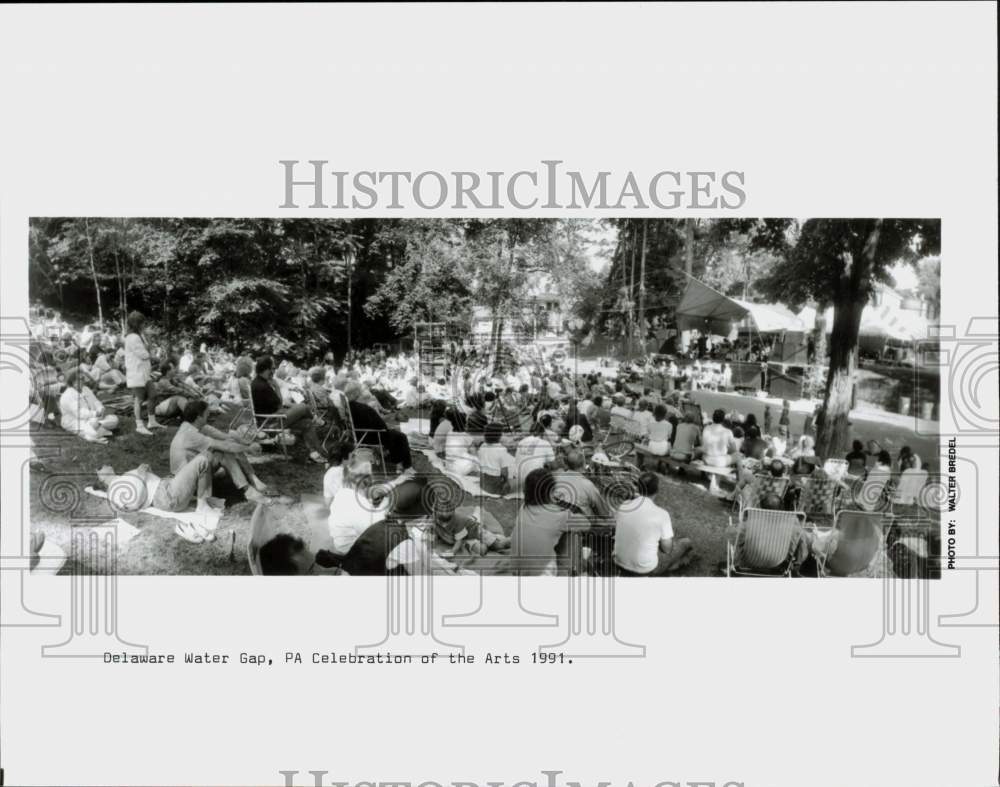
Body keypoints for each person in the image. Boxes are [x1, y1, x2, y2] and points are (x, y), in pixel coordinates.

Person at [169, 400, 268, 504]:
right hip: (185, 481)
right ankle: (247, 489)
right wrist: (248, 449)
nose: (209, 414)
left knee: (228, 444)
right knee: (223, 451)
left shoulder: (196, 426)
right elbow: (224, 446)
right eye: (207, 412)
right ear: (199, 417)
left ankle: (252, 478)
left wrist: (246, 443)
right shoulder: (189, 434)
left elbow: (226, 437)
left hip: (196, 470)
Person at [613, 472, 693, 576]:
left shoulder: (624, 505)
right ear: (657, 490)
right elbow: (667, 549)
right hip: (646, 569)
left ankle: (676, 564)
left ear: (638, 488)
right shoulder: (662, 514)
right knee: (686, 542)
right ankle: (678, 564)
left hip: (618, 562)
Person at [250, 355, 325, 464]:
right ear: (267, 369)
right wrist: (276, 387)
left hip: (272, 419)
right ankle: (317, 420)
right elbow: (279, 403)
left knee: (307, 423)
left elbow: (277, 405)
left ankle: (315, 454)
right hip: (270, 422)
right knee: (304, 407)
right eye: (273, 368)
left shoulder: (258, 382)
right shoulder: (262, 386)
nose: (274, 371)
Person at [509, 468, 579, 576]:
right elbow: (587, 525)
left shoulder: (523, 508)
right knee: (573, 533)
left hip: (516, 571)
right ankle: (575, 572)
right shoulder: (561, 515)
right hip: (542, 574)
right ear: (551, 492)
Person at [344, 381, 414, 472]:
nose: (361, 392)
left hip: (359, 435)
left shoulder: (349, 406)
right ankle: (405, 465)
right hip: (373, 436)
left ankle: (393, 458)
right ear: (355, 393)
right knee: (401, 436)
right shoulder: (363, 408)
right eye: (359, 391)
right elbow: (379, 425)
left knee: (394, 433)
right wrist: (386, 429)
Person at [124, 311, 164, 435]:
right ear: (137, 324)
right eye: (142, 323)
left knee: (153, 395)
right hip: (136, 372)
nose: (144, 325)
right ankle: (139, 425)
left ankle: (151, 421)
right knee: (139, 399)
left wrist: (149, 344)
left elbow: (148, 348)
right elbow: (143, 354)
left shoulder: (139, 335)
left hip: (144, 372)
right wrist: (154, 357)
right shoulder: (132, 337)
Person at [59, 368, 119, 444]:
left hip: (93, 419)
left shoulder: (85, 389)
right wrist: (95, 414)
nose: (83, 381)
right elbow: (79, 413)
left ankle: (97, 427)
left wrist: (100, 408)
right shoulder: (68, 395)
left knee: (114, 419)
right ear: (72, 381)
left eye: (83, 378)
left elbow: (96, 401)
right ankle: (95, 430)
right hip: (74, 421)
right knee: (93, 432)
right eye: (80, 379)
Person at [552, 449, 611, 520]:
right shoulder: (587, 485)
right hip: (581, 523)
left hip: (559, 517)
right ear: (583, 465)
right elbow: (604, 513)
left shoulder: (557, 478)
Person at [477, 422, 515, 495]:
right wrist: (507, 482)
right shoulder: (501, 449)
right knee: (519, 481)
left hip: (483, 483)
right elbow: (504, 472)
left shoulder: (483, 446)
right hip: (495, 487)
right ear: (499, 435)